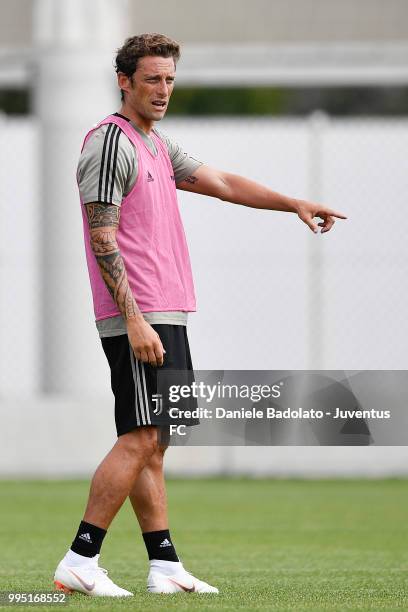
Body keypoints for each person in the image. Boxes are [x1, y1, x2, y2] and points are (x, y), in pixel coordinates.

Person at [53, 33, 346, 597]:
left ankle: (164, 565)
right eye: (151, 80)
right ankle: (80, 558)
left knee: (156, 441)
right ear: (124, 81)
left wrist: (294, 205)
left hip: (168, 310)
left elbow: (223, 183)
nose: (162, 90)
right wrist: (134, 319)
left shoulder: (156, 145)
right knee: (140, 436)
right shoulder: (110, 144)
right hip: (137, 313)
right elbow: (101, 235)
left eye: (168, 79)